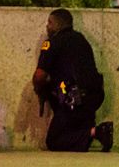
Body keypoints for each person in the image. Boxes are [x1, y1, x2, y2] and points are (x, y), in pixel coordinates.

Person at [32, 9, 113, 152]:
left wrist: (39, 90)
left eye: (50, 22)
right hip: (93, 98)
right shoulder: (82, 40)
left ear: (58, 25)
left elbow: (40, 76)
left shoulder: (52, 43)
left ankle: (96, 132)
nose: (47, 26)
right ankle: (91, 131)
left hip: (73, 101)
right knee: (79, 138)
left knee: (54, 141)